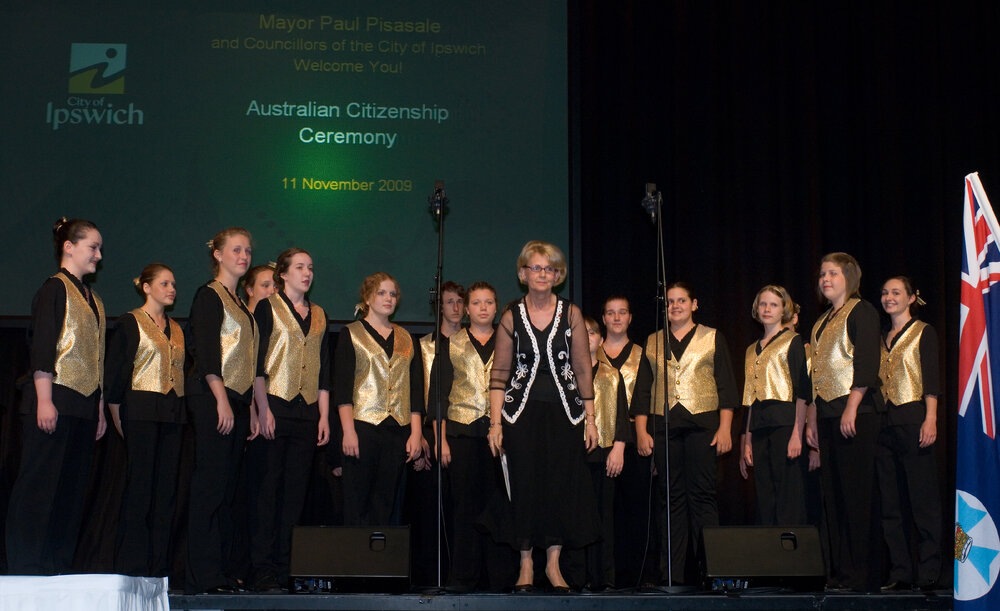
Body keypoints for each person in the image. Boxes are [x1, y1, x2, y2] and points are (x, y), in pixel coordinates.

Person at [487, 240, 600, 593]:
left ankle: (552, 563)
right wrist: (495, 424)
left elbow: (583, 368)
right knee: (523, 485)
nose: (542, 274)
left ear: (557, 275)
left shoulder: (571, 314)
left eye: (548, 269)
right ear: (523, 273)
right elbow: (500, 373)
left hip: (565, 415)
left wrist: (591, 419)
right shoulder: (510, 315)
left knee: (558, 487)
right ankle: (525, 563)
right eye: (535, 268)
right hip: (519, 414)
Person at [6, 218, 107, 575]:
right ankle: (26, 565)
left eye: (98, 248)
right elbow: (44, 346)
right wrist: (45, 400)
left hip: (82, 407)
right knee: (39, 486)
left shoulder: (93, 298)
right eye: (92, 247)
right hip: (54, 400)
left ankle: (56, 565)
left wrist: (98, 408)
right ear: (69, 247)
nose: (98, 254)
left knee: (69, 490)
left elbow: (95, 356)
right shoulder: (55, 288)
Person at [637, 282, 738, 585]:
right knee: (671, 500)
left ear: (694, 304)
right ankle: (672, 574)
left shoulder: (712, 337)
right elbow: (643, 391)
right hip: (665, 428)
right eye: (670, 302)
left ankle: (711, 571)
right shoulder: (653, 341)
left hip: (703, 427)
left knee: (703, 498)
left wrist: (725, 428)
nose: (676, 306)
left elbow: (727, 387)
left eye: (682, 301)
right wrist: (641, 431)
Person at [250, 248, 331, 591]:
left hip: (307, 412)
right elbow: (255, 364)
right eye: (300, 267)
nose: (307, 273)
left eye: (310, 267)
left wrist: (324, 416)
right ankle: (262, 570)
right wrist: (262, 409)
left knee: (294, 495)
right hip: (276, 409)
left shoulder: (320, 314)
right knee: (268, 492)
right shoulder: (268, 307)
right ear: (283, 274)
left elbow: (324, 369)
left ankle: (285, 569)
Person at [185, 227, 259, 594]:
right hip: (214, 397)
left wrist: (253, 410)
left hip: (238, 401)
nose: (243, 256)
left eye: (247, 250)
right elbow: (206, 352)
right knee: (210, 488)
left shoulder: (241, 303)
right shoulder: (209, 296)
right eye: (236, 249)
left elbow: (248, 360)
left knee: (228, 492)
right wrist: (221, 400)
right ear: (217, 254)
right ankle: (203, 575)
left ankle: (223, 572)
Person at [428, 281, 514, 591]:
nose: (482, 308)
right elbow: (437, 396)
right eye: (476, 303)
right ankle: (463, 577)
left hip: (499, 437)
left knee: (500, 505)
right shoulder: (450, 344)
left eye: (488, 302)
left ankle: (500, 578)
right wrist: (440, 439)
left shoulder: (509, 344)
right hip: (461, 433)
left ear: (495, 307)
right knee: (464, 506)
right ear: (466, 309)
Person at [104, 264, 185, 577]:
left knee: (165, 492)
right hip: (139, 412)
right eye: (164, 283)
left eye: (173, 284)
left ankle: (158, 565)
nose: (171, 289)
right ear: (146, 287)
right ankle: (132, 564)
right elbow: (115, 376)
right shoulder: (130, 322)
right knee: (140, 489)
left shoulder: (176, 329)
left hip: (172, 416)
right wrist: (118, 418)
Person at [809, 252, 882, 592]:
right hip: (826, 416)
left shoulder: (862, 311)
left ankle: (861, 574)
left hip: (855, 415)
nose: (826, 278)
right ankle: (840, 572)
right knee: (834, 498)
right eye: (823, 273)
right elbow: (816, 376)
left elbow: (866, 363)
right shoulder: (820, 321)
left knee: (856, 496)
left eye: (833, 273)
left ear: (849, 277)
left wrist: (852, 406)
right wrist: (812, 421)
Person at [334, 272, 424, 526]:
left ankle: (379, 561)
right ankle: (356, 562)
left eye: (392, 294)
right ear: (367, 297)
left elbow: (415, 390)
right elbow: (342, 388)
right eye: (381, 293)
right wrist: (348, 431)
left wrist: (415, 433)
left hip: (397, 429)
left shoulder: (407, 337)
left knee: (386, 501)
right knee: (357, 500)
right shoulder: (350, 333)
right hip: (362, 427)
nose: (388, 298)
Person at [875, 276, 941, 590]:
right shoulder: (880, 337)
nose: (889, 297)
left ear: (912, 297)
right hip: (884, 425)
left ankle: (929, 572)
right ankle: (900, 571)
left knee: (922, 500)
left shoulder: (923, 332)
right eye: (886, 293)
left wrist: (931, 419)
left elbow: (931, 380)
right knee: (891, 503)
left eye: (896, 292)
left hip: (914, 420)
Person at [739, 285, 810, 525]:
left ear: (784, 310)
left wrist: (797, 434)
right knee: (765, 493)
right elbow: (749, 397)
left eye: (773, 305)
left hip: (785, 423)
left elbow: (803, 392)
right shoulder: (751, 349)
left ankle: (792, 556)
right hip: (759, 425)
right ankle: (770, 555)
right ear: (756, 310)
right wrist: (747, 439)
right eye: (763, 304)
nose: (767, 309)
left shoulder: (793, 342)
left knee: (788, 492)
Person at [599, 296, 654, 588]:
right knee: (605, 513)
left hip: (636, 441)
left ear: (630, 317)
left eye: (622, 312)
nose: (616, 318)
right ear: (604, 318)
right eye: (611, 313)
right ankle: (606, 577)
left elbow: (649, 400)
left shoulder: (643, 354)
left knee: (636, 512)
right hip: (600, 443)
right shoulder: (591, 354)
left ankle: (640, 576)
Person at [578, 315, 630, 591]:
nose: (587, 337)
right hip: (575, 457)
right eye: (581, 332)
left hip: (605, 453)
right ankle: (578, 576)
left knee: (603, 517)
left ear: (600, 339)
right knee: (576, 516)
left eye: (592, 333)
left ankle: (604, 577)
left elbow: (622, 414)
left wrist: (619, 447)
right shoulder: (566, 374)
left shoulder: (612, 375)